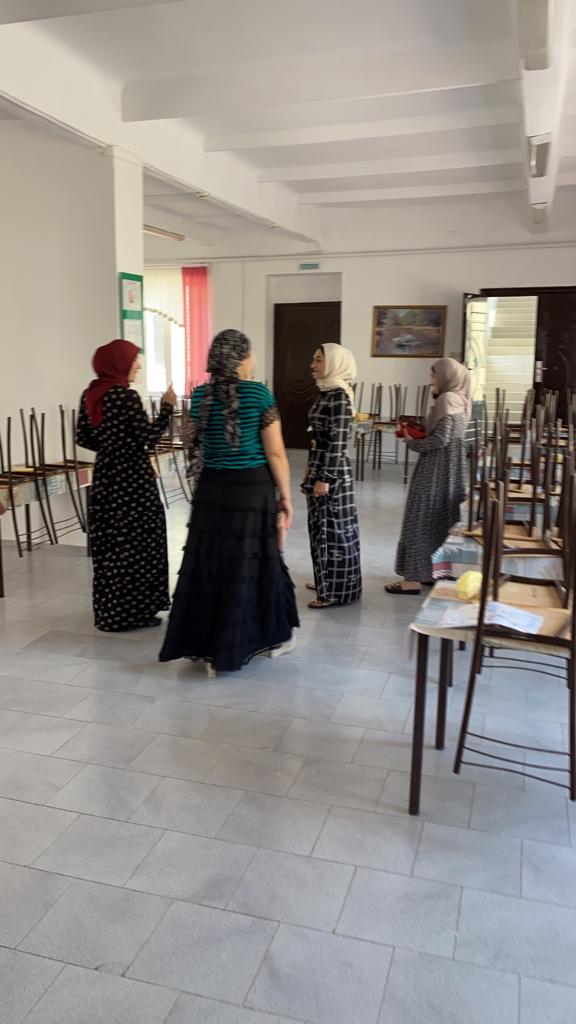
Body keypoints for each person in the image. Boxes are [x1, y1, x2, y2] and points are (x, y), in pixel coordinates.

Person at [159, 329, 298, 674]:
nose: (253, 360)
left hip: (211, 491)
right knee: (254, 562)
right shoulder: (258, 394)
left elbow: (190, 440)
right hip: (251, 490)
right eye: (250, 354)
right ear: (240, 358)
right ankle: (265, 638)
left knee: (212, 565)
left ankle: (209, 645)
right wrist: (286, 496)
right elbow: (276, 452)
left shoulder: (200, 395)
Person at [76, 338, 177, 631]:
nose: (139, 365)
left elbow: (84, 437)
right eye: (134, 360)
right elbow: (148, 438)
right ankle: (134, 612)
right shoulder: (125, 396)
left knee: (113, 543)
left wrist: (112, 448)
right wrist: (167, 408)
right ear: (119, 364)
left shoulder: (90, 395)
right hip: (133, 479)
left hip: (106, 477)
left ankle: (112, 612)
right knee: (139, 542)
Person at [386, 357, 471, 595]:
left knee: (419, 519)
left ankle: (413, 579)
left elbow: (439, 439)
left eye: (434, 375)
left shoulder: (447, 399)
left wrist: (411, 441)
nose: (431, 380)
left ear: (446, 376)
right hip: (451, 471)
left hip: (435, 470)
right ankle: (435, 572)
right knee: (439, 521)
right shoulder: (462, 399)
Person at [302, 343, 362, 608]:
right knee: (319, 527)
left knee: (333, 530)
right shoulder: (327, 391)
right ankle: (324, 580)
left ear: (335, 363)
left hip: (331, 471)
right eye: (313, 359)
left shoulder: (339, 395)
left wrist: (325, 477)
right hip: (320, 464)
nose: (312, 365)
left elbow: (338, 441)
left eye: (318, 360)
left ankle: (335, 592)